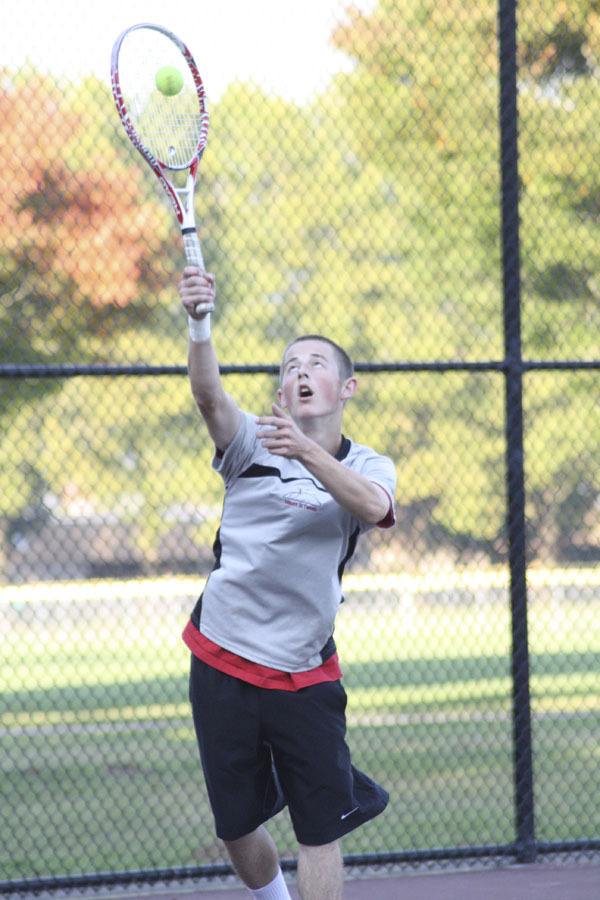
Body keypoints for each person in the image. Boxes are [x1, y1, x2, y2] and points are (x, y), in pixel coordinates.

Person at [178, 266, 397, 900]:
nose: (299, 371)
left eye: (315, 363)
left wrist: (309, 454)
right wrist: (199, 320)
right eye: (290, 364)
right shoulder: (252, 443)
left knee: (319, 830)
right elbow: (209, 397)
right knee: (238, 826)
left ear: (346, 386)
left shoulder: (367, 463)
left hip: (305, 671)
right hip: (222, 654)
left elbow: (376, 509)